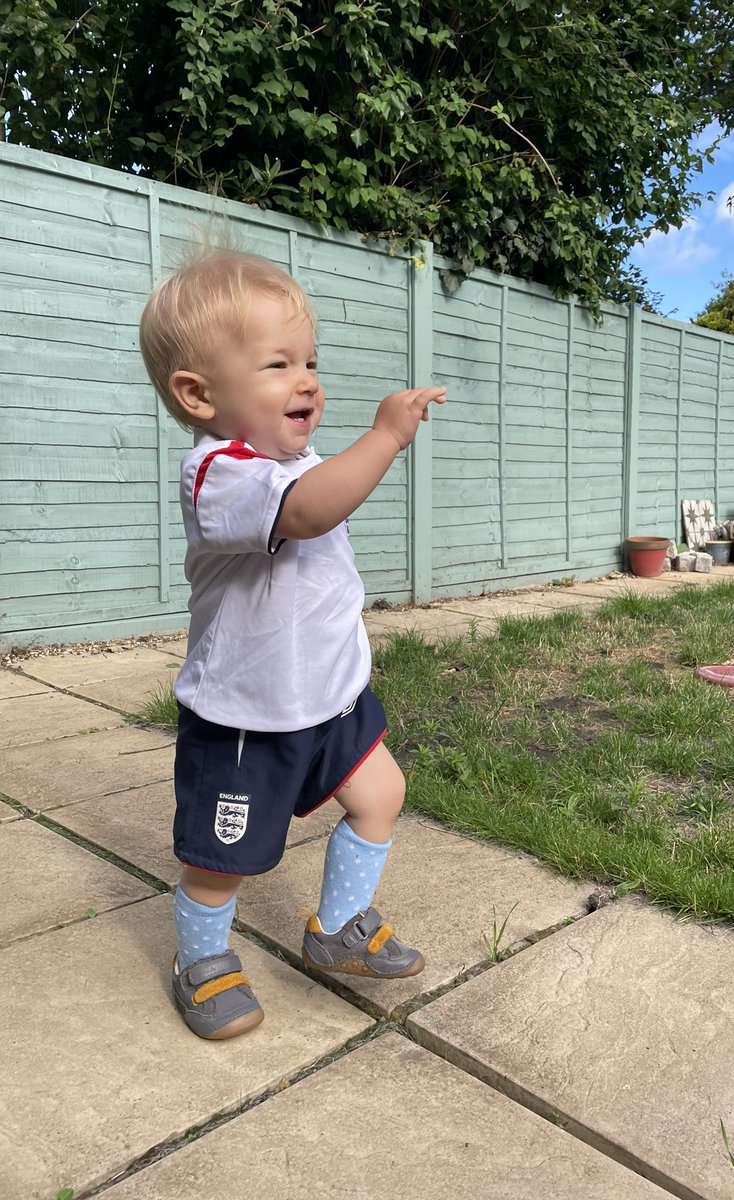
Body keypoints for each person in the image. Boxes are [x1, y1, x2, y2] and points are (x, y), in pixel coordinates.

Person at [139, 249, 446, 1040]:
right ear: (199, 394)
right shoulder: (219, 476)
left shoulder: (293, 460)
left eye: (310, 361)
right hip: (248, 715)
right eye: (278, 364)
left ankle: (339, 926)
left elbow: (316, 492)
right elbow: (310, 512)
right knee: (220, 862)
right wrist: (384, 436)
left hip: (330, 696)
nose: (306, 379)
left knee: (381, 794)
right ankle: (200, 961)